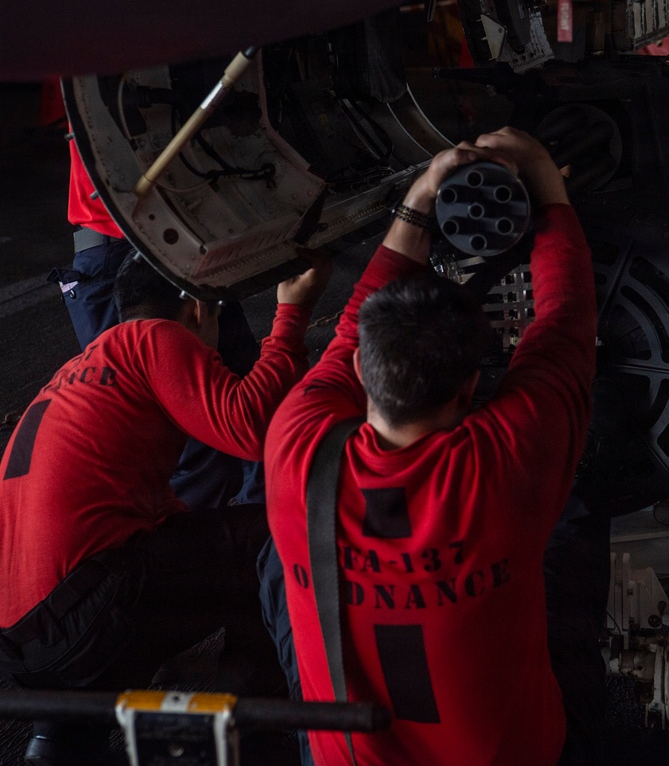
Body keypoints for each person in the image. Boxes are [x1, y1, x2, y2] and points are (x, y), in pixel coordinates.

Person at [265, 127, 597, 765]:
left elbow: (354, 326)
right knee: (579, 514)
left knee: (271, 565)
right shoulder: (506, 464)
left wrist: (420, 196)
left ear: (360, 370)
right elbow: (563, 324)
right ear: (470, 389)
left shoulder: (293, 447)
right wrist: (544, 177)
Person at [0, 252, 331, 765]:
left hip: (27, 648)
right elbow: (250, 428)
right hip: (86, 618)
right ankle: (256, 729)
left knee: (202, 547)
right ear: (199, 308)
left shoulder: (78, 369)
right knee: (276, 535)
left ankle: (60, 740)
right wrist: (291, 316)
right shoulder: (155, 336)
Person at [48, 134, 266, 507]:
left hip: (175, 230)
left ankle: (263, 527)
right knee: (195, 435)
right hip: (138, 238)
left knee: (244, 405)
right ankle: (223, 536)